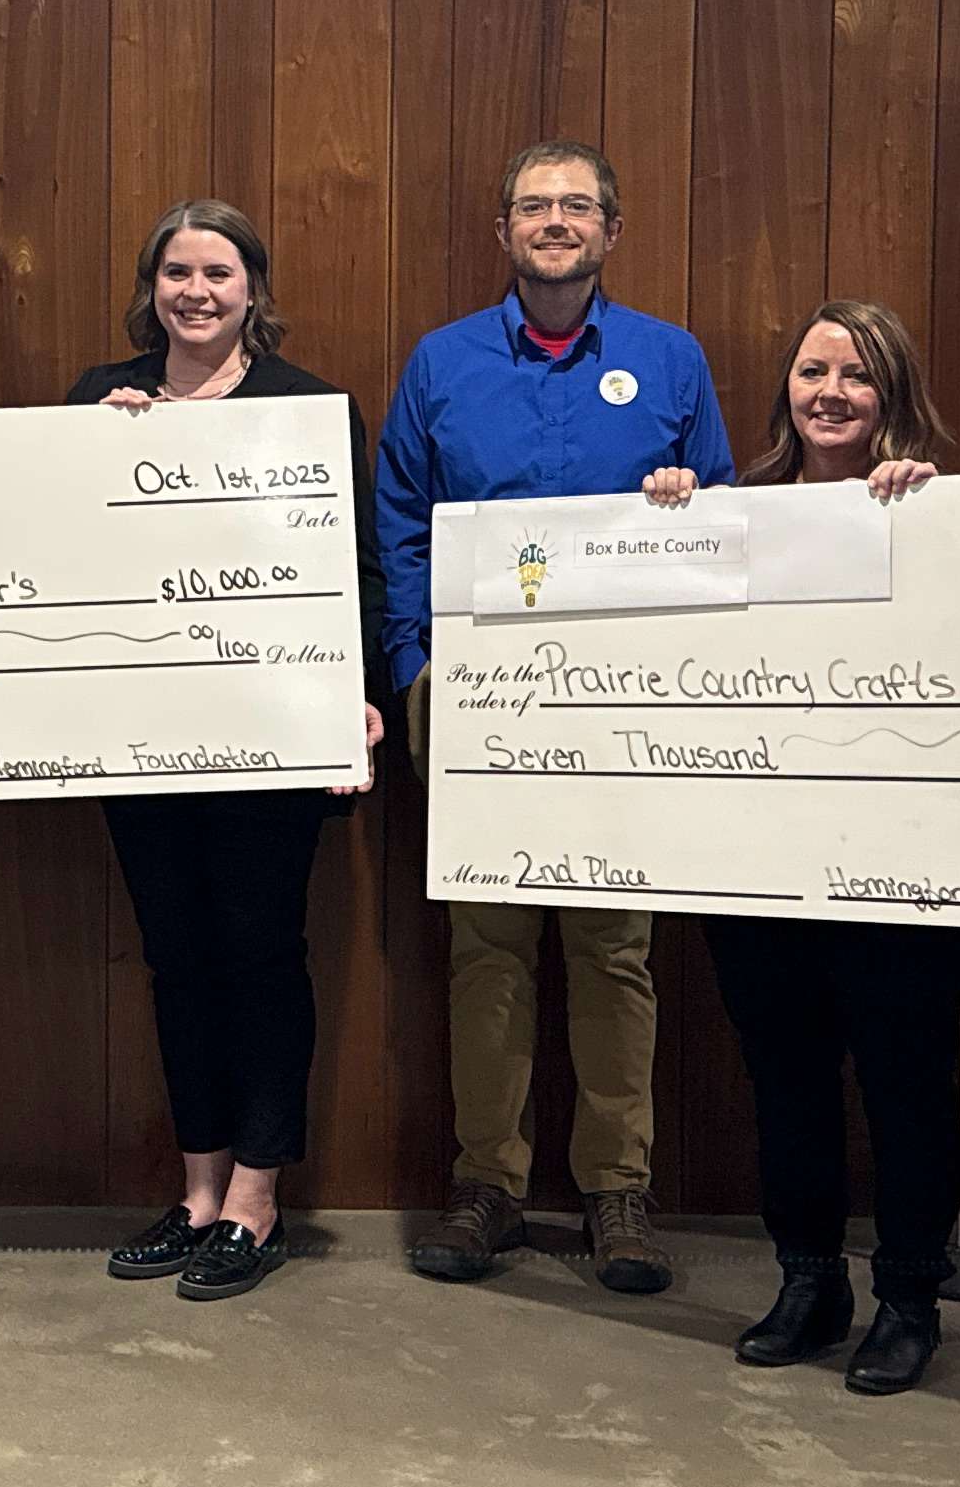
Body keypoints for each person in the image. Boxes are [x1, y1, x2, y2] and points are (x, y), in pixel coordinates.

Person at [372, 140, 729, 1293]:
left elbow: (722, 521)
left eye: (579, 205)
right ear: (505, 231)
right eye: (535, 206)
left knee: (614, 948)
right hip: (478, 698)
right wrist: (418, 669)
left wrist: (685, 504)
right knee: (489, 947)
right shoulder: (444, 362)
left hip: (625, 704)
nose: (557, 221)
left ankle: (617, 1190)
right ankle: (490, 1185)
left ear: (612, 231)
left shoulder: (671, 360)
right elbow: (401, 525)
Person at [65, 201, 388, 1303]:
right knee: (177, 957)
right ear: (149, 287)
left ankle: (257, 1199)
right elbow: (54, 547)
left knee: (260, 954)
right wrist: (93, 453)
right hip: (139, 734)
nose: (195, 292)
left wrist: (355, 697)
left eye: (218, 272)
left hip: (269, 732)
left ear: (254, 290)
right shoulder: (99, 400)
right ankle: (198, 1192)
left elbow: (353, 563)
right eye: (176, 272)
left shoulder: (308, 407)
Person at [663, 304, 960, 1394]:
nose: (829, 392)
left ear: (895, 394)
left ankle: (910, 1298)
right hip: (760, 859)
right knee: (785, 1079)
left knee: (906, 1085)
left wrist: (927, 520)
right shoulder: (730, 512)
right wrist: (667, 523)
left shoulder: (947, 513)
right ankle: (808, 1281)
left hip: (905, 865)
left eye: (857, 374)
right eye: (811, 371)